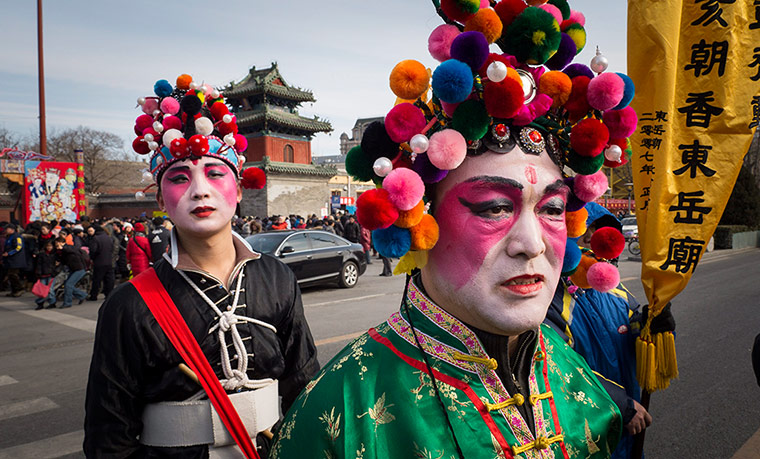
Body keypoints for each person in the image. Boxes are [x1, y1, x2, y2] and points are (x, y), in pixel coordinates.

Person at [270, 2, 643, 456]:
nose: (531, 245)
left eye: (552, 209)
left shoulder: (576, 375)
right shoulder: (339, 415)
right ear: (421, 223)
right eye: (492, 209)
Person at [84, 73, 319, 457]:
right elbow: (108, 437)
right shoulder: (127, 306)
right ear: (160, 198)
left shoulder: (277, 278)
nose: (200, 190)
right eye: (179, 178)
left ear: (240, 189)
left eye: (214, 173)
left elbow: (305, 390)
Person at [545, 203, 651, 458]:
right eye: (586, 229)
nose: (592, 237)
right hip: (586, 428)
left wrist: (653, 327)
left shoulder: (619, 294)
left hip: (629, 424)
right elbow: (558, 366)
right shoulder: (550, 301)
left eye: (599, 229)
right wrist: (618, 403)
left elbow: (637, 339)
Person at [54, 236, 87, 308]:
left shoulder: (69, 248)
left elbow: (71, 250)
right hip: (73, 269)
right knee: (67, 285)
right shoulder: (62, 251)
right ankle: (82, 295)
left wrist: (63, 248)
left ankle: (67, 302)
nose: (57, 246)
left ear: (63, 243)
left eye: (58, 244)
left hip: (79, 269)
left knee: (68, 285)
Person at [87, 224, 115, 301]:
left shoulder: (95, 239)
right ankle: (109, 294)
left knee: (97, 280)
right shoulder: (109, 238)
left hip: (99, 262)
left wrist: (92, 258)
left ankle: (94, 295)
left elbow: (93, 250)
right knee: (109, 280)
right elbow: (112, 249)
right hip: (109, 261)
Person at [3, 224, 27, 297]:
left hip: (16, 260)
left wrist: (9, 253)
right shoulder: (9, 237)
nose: (6, 230)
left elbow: (18, 247)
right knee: (10, 275)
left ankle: (20, 289)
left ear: (12, 229)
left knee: (14, 275)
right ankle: (14, 290)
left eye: (7, 229)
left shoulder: (17, 237)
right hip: (10, 260)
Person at [34, 239, 58, 309]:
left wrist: (55, 271)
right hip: (43, 274)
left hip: (51, 274)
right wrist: (38, 272)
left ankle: (52, 302)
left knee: (50, 290)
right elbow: (39, 264)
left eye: (50, 246)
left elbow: (58, 264)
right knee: (42, 290)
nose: (49, 247)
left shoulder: (55, 254)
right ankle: (40, 303)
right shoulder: (42, 254)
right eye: (48, 246)